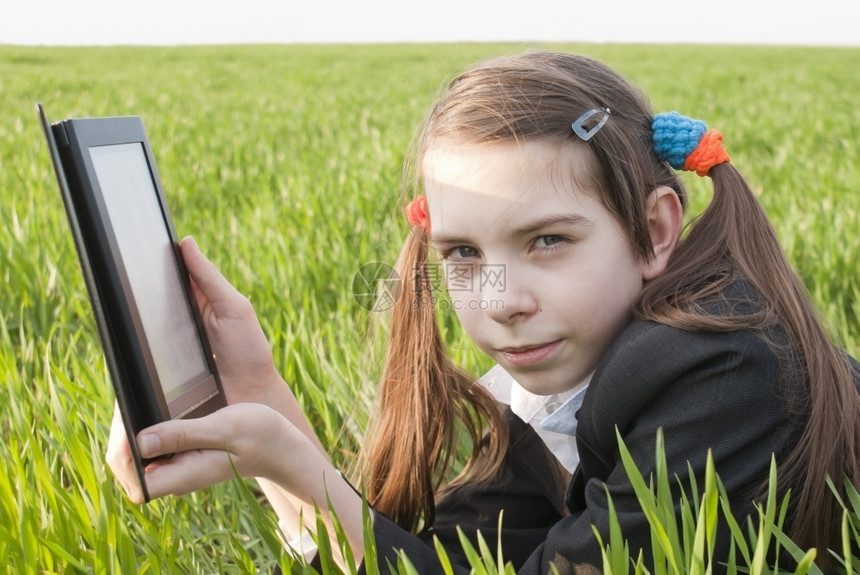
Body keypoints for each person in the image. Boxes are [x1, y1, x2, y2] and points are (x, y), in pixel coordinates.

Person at [106, 51, 860, 573]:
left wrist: (292, 462)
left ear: (656, 231)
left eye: (548, 240)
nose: (501, 299)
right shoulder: (544, 386)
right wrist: (258, 395)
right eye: (465, 254)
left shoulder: (723, 373)